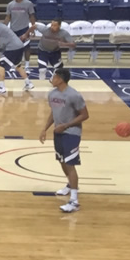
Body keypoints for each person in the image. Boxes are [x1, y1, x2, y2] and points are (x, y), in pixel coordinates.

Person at [38, 67, 89, 214]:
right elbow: (53, 112)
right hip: (58, 132)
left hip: (72, 133)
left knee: (70, 164)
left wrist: (66, 125)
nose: (51, 79)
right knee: (61, 160)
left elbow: (85, 115)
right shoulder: (52, 94)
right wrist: (44, 129)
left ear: (60, 79)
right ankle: (69, 185)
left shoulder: (74, 95)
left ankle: (74, 201)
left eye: (54, 77)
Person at [35, 19, 75, 83]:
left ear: (59, 26)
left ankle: (52, 79)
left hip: (55, 52)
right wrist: (28, 33)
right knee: (42, 70)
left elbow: (73, 44)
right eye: (51, 25)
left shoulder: (64, 33)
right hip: (43, 50)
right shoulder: (45, 29)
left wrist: (64, 44)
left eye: (54, 25)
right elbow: (34, 26)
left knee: (59, 69)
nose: (52, 26)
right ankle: (41, 83)